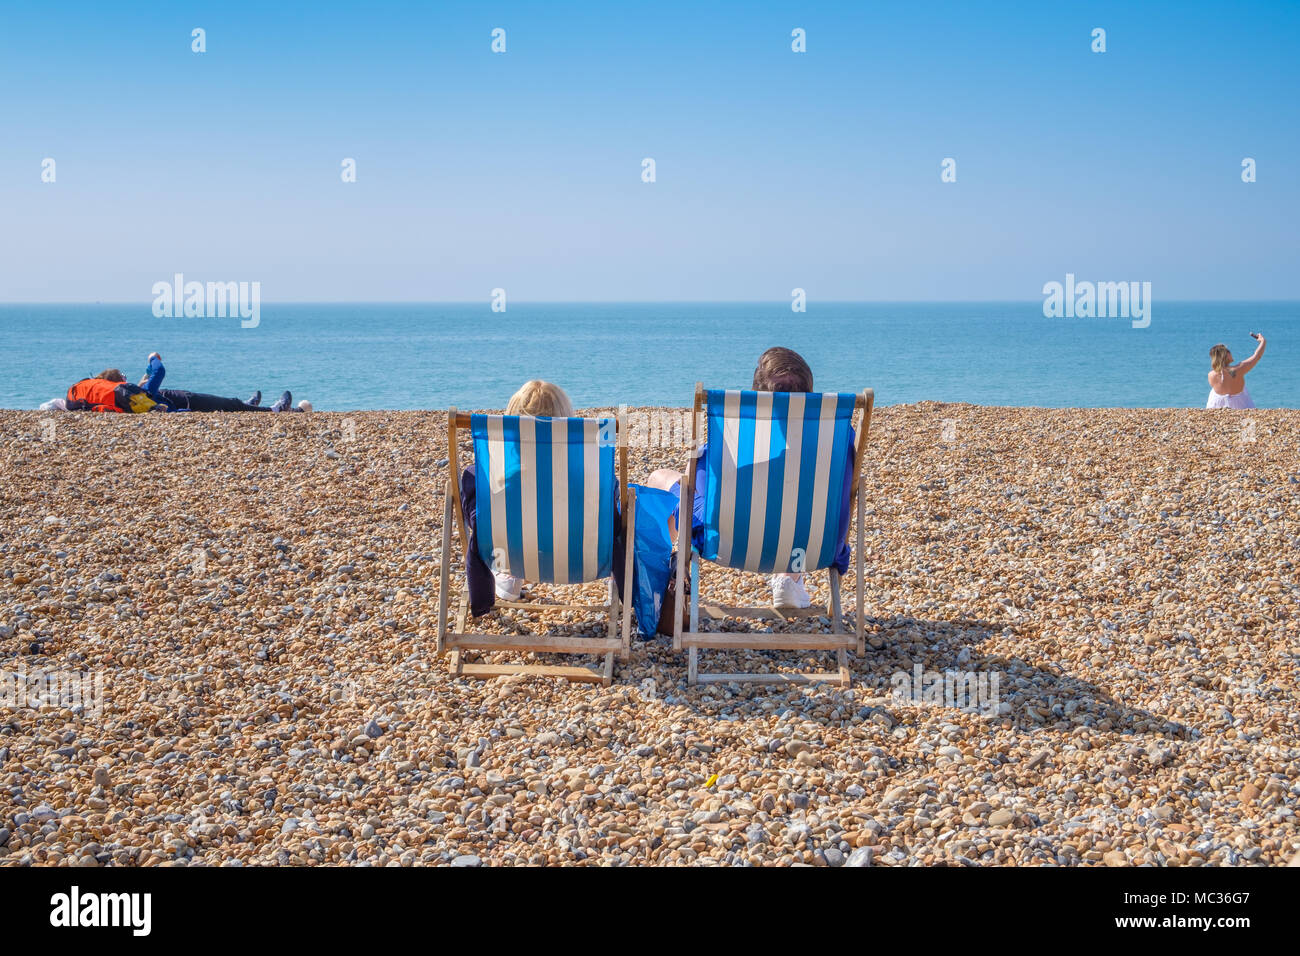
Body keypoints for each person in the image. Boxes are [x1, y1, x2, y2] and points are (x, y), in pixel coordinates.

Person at [646, 347, 855, 609]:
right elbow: (844, 495)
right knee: (799, 503)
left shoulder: (735, 440)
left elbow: (699, 485)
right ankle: (789, 579)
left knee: (661, 479)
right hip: (814, 547)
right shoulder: (837, 439)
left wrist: (695, 463)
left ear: (757, 396)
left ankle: (657, 587)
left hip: (729, 542)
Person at [458, 381, 586, 614]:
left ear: (511, 426)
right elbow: (614, 523)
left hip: (510, 554)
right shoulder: (588, 479)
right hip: (580, 561)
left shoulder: (486, 480)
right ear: (568, 423)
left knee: (480, 498)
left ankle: (507, 573)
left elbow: (478, 523)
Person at [136, 354, 299, 412]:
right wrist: (152, 358)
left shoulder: (133, 397)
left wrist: (145, 378)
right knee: (230, 404)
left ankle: (248, 405)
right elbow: (160, 370)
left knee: (229, 404)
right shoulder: (142, 394)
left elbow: (149, 382)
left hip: (184, 399)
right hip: (187, 402)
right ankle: (275, 409)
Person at [1207, 335, 1265, 409]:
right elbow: (1257, 356)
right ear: (1225, 355)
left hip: (1216, 407)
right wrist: (1263, 341)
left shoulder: (1211, 375)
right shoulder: (1239, 369)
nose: (1231, 353)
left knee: (1214, 391)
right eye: (1229, 352)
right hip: (1241, 406)